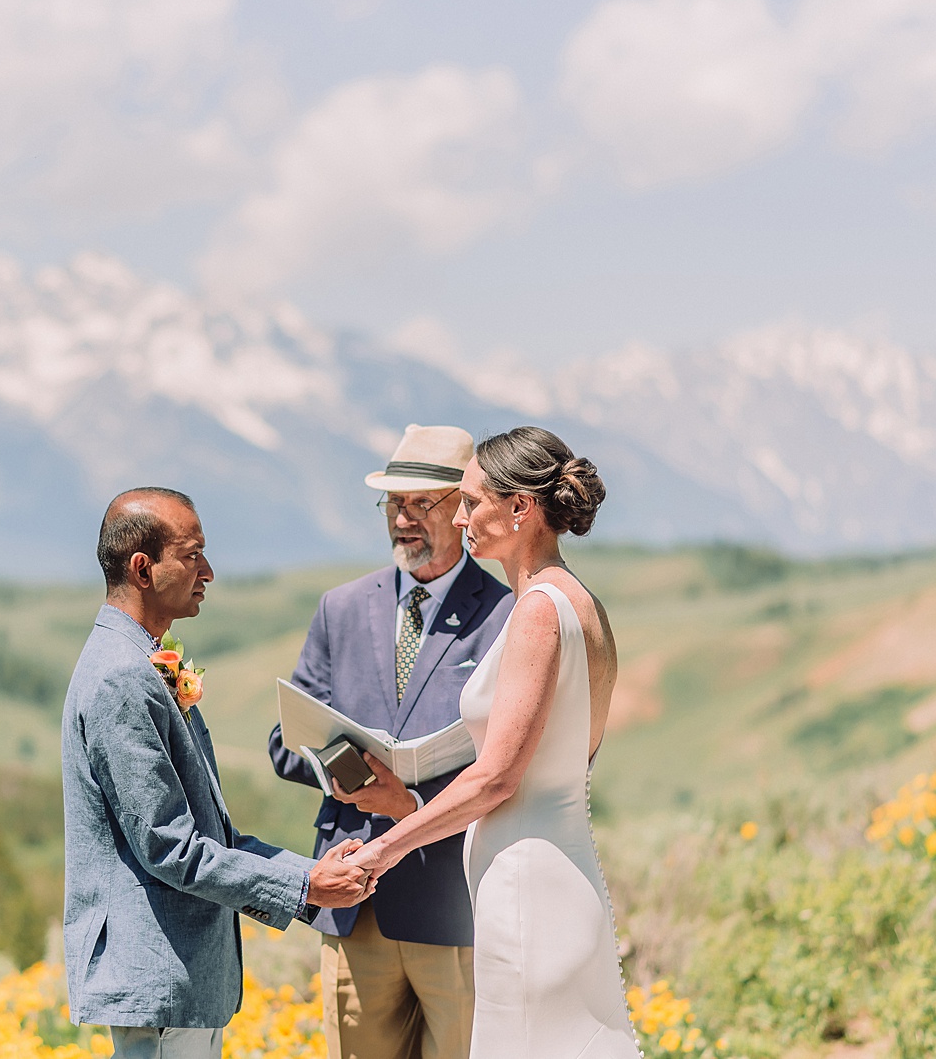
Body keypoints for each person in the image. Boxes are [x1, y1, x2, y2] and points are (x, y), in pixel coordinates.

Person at [347, 427, 637, 1058]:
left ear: (520, 507)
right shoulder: (583, 603)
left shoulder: (537, 610)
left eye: (472, 502)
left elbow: (498, 778)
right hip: (559, 866)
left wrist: (380, 852)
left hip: (526, 882)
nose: (460, 517)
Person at [62, 487, 374, 1059]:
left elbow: (215, 837)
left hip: (182, 985)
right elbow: (173, 849)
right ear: (143, 569)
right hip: (159, 982)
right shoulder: (121, 678)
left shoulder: (142, 662)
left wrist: (311, 873)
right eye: (192, 555)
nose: (208, 571)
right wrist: (306, 887)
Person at [268, 425, 514, 1059]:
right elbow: (285, 743)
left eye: (420, 503)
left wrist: (411, 804)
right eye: (393, 503)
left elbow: (513, 763)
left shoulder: (508, 614)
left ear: (463, 509)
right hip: (357, 900)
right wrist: (346, 772)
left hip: (456, 903)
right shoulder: (341, 608)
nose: (402, 519)